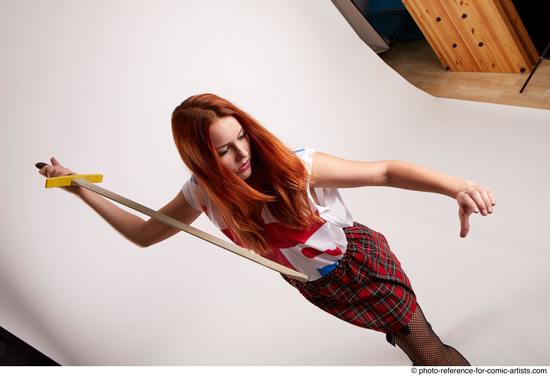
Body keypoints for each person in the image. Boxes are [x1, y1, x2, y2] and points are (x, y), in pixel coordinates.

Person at [37, 93, 495, 366]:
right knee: (405, 335)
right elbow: (143, 233)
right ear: (201, 159)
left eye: (241, 137)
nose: (241, 153)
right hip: (320, 288)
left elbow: (384, 172)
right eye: (223, 150)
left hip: (360, 267)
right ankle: (403, 332)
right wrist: (79, 190)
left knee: (427, 351)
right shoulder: (202, 194)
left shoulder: (294, 166)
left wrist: (457, 186)